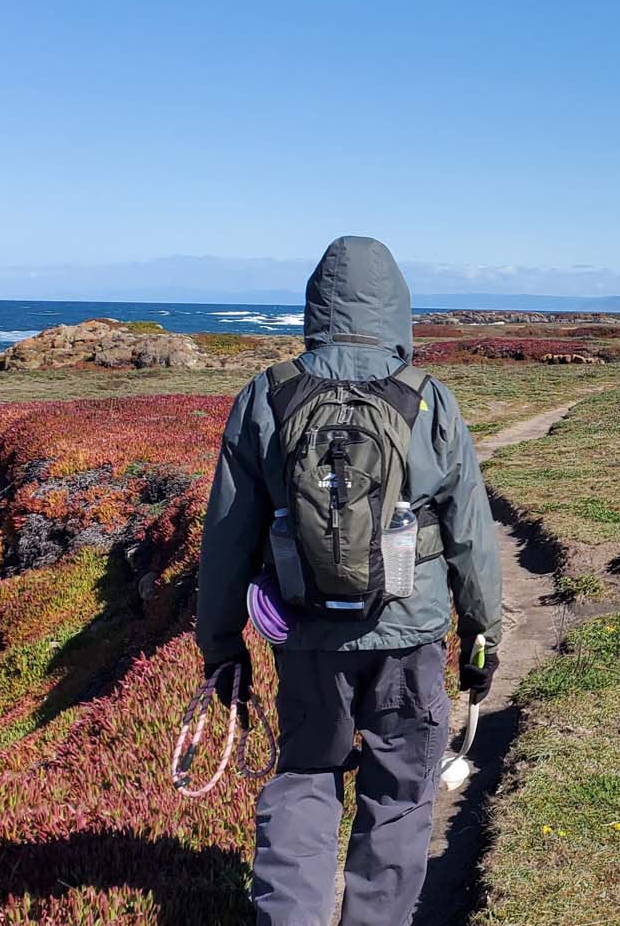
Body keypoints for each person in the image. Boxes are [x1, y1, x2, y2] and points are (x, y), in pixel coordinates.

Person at [197, 236, 502, 926]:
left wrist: (220, 646)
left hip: (306, 635)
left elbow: (227, 537)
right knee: (398, 797)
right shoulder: (429, 399)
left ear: (316, 306)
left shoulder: (266, 395)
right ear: (396, 306)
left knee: (304, 781)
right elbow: (471, 535)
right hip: (410, 636)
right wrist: (482, 639)